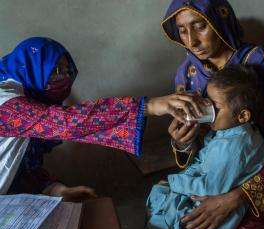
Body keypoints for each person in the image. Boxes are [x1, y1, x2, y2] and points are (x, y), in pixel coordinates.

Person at [0, 37, 195, 202]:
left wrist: (56, 190)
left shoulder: (28, 100)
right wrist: (147, 106)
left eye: (66, 71)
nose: (63, 79)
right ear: (31, 68)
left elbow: (20, 166)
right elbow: (65, 122)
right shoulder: (6, 101)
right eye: (55, 72)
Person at [161, 0, 264, 229]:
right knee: (168, 215)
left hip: (259, 182)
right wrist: (182, 143)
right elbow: (202, 152)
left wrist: (238, 197)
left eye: (200, 26)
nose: (192, 41)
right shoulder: (187, 75)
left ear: (220, 21)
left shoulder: (263, 64)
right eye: (183, 30)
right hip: (212, 178)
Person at [146, 65, 264, 229]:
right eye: (206, 100)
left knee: (162, 206)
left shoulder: (234, 146)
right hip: (205, 189)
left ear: (243, 116)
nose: (207, 108)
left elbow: (210, 188)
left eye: (215, 107)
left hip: (212, 207)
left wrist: (175, 182)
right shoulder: (229, 131)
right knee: (160, 195)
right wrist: (181, 180)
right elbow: (202, 162)